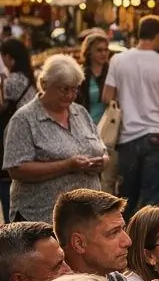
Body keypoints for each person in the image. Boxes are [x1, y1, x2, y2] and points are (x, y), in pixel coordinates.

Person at [2, 53, 106, 222]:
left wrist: (102, 162)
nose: (71, 95)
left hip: (84, 216)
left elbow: (100, 148)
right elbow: (16, 168)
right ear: (44, 84)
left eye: (75, 88)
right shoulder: (24, 119)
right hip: (41, 217)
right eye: (64, 88)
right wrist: (67, 165)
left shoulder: (80, 112)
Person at [102, 15, 159, 220]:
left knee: (128, 197)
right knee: (153, 201)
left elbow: (107, 96)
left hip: (128, 138)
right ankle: (148, 247)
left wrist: (128, 98)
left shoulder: (118, 60)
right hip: (157, 136)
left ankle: (124, 244)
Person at [0, 38, 36, 222]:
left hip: (11, 132)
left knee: (6, 179)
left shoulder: (11, 81)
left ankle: (10, 223)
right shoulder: (29, 77)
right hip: (29, 131)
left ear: (10, 58)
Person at [76, 31, 110, 126]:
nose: (104, 53)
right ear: (89, 52)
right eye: (99, 50)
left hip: (109, 127)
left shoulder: (112, 72)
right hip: (87, 126)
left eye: (106, 50)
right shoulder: (81, 75)